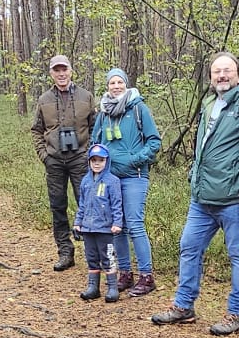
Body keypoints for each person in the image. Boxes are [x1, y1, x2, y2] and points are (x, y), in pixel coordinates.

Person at [150, 52, 239, 335]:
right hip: (202, 198)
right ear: (210, 77)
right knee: (189, 246)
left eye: (227, 71)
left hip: (233, 198)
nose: (222, 76)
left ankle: (237, 313)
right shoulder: (209, 104)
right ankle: (184, 306)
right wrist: (194, 176)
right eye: (217, 71)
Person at [93, 66, 162, 297]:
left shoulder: (139, 109)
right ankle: (124, 273)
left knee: (134, 225)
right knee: (116, 228)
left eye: (119, 82)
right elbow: (95, 144)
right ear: (107, 87)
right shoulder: (103, 113)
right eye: (112, 83)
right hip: (110, 178)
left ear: (126, 84)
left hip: (135, 177)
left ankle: (146, 276)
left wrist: (136, 159)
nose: (116, 87)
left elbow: (154, 141)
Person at [30, 54, 95, 271]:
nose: (61, 74)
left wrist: (90, 153)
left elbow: (96, 127)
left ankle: (93, 254)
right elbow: (37, 130)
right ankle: (65, 252)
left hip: (80, 158)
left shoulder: (86, 96)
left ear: (71, 71)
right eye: (56, 70)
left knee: (86, 204)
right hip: (55, 160)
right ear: (51, 74)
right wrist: (44, 156)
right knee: (58, 206)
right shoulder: (44, 99)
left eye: (64, 69)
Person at [73, 142, 126, 302]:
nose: (97, 163)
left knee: (108, 257)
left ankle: (112, 288)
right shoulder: (85, 181)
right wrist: (78, 221)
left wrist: (117, 223)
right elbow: (82, 204)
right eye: (94, 160)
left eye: (101, 160)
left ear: (106, 161)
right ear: (89, 161)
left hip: (105, 229)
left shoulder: (112, 181)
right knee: (91, 257)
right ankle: (93, 287)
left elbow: (117, 204)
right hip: (88, 228)